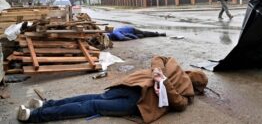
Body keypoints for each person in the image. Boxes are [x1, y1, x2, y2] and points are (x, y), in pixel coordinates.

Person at [17, 56, 208, 123]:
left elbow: (159, 59)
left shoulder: (174, 65)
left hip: (131, 87)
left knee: (93, 98)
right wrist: (159, 75)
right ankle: (35, 115)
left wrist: (161, 76)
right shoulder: (184, 86)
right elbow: (180, 104)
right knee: (92, 105)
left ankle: (44, 105)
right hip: (135, 99)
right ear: (197, 88)